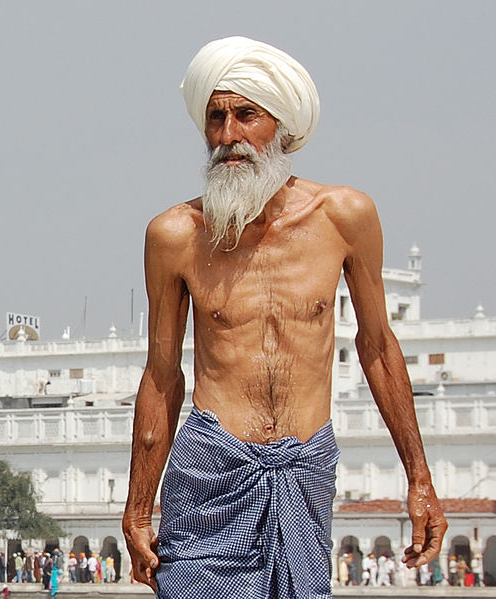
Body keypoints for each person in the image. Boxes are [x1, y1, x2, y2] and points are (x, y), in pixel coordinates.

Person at [122, 35, 448, 598]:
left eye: (246, 115)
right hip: (212, 466)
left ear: (283, 127)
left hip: (305, 465)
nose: (228, 137)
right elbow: (162, 375)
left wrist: (419, 478)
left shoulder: (343, 216)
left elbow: (377, 347)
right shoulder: (176, 235)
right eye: (216, 118)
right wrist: (137, 507)